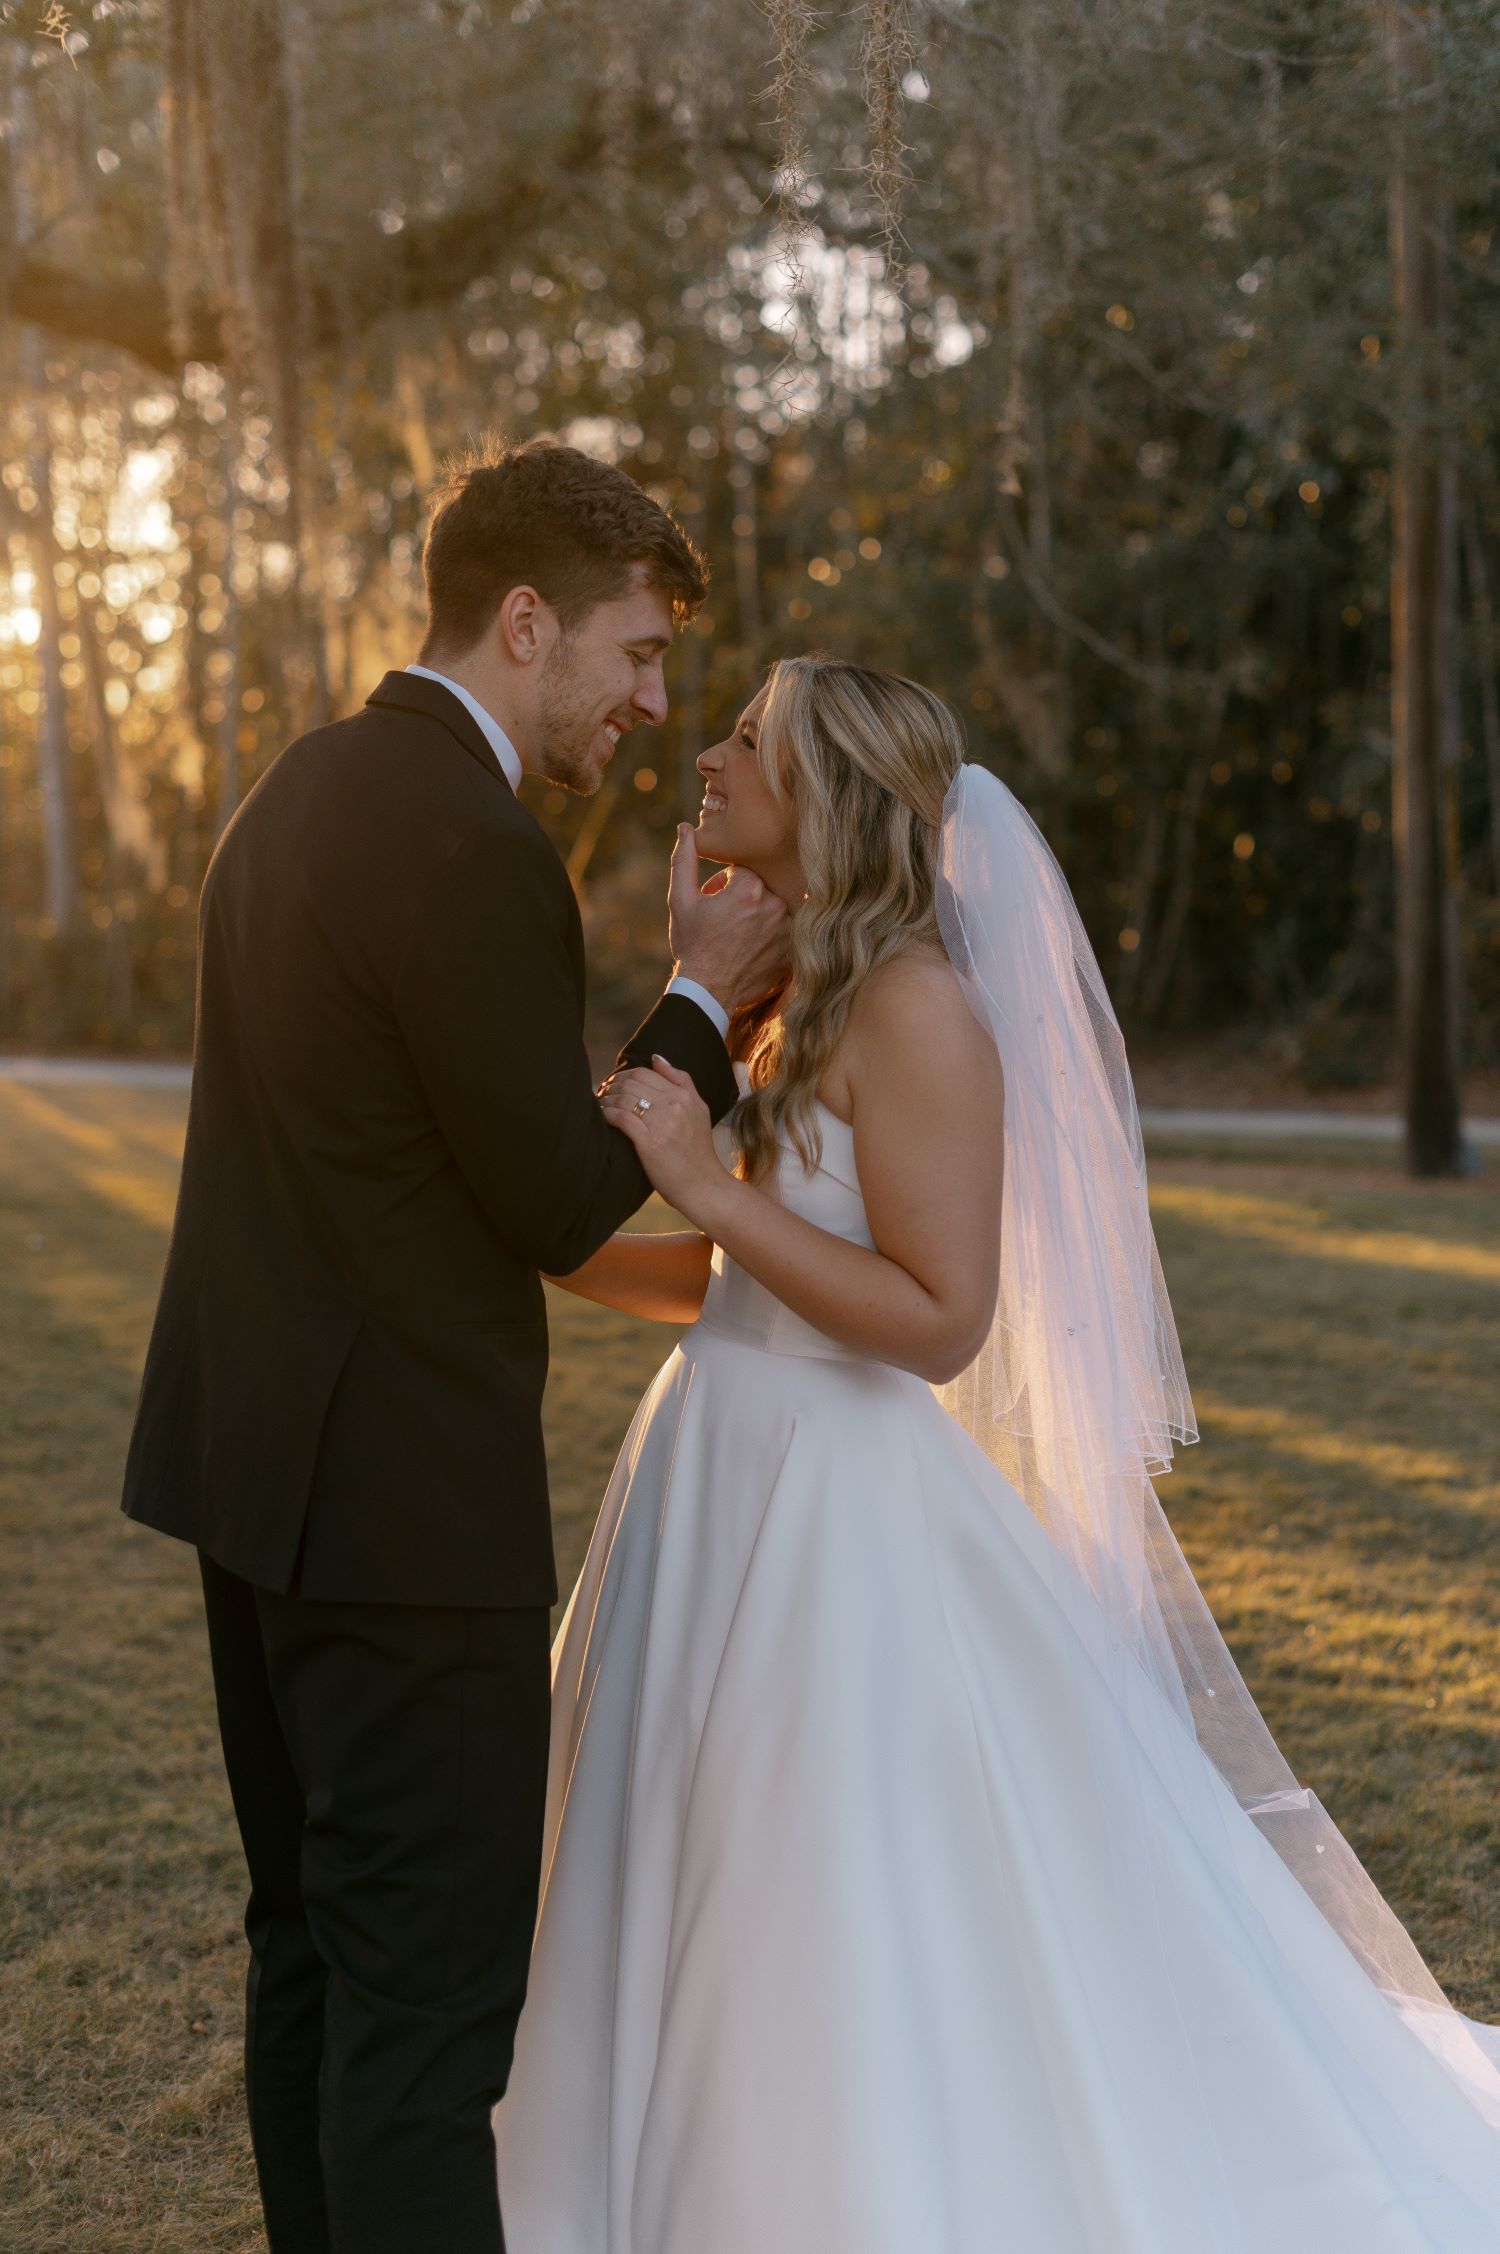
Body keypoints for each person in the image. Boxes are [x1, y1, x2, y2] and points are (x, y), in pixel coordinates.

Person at [493, 653, 1500, 2252]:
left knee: (809, 1873)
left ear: (824, 794)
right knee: (671, 1845)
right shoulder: (793, 994)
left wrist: (710, 1185)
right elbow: (724, 1266)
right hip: (712, 1462)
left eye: (746, 739)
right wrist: (554, 1237)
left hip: (839, 1506)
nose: (709, 755)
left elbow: (940, 1311)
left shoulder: (918, 1009)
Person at [119, 438, 788, 2254]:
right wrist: (710, 1001)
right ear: (523, 624)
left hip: (254, 1483)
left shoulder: (296, 789)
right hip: (406, 1518)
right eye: (637, 654)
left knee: (316, 1956)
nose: (655, 704)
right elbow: (562, 1196)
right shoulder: (475, 845)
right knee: (427, 2014)